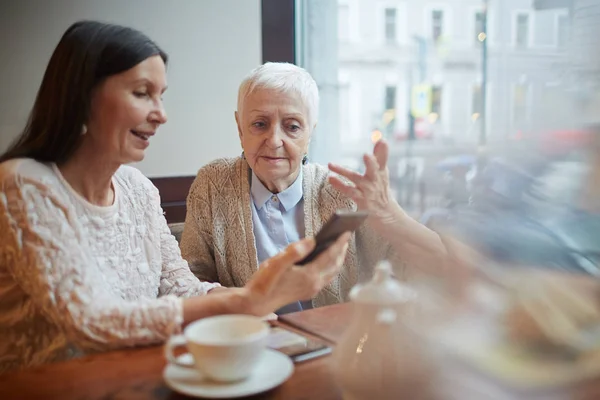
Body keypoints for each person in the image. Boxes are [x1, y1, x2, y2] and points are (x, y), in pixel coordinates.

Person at [0, 21, 350, 373]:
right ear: (82, 96)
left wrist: (248, 302)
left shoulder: (137, 188)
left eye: (161, 96)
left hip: (132, 378)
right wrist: (249, 299)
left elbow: (177, 284)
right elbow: (91, 320)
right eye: (141, 93)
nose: (161, 114)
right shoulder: (24, 184)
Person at [181, 62, 448, 312]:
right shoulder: (212, 184)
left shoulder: (343, 192)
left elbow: (435, 267)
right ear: (241, 129)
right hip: (248, 347)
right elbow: (188, 286)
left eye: (292, 126)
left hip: (332, 349)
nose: (274, 140)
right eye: (259, 124)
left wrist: (392, 217)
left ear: (310, 133)